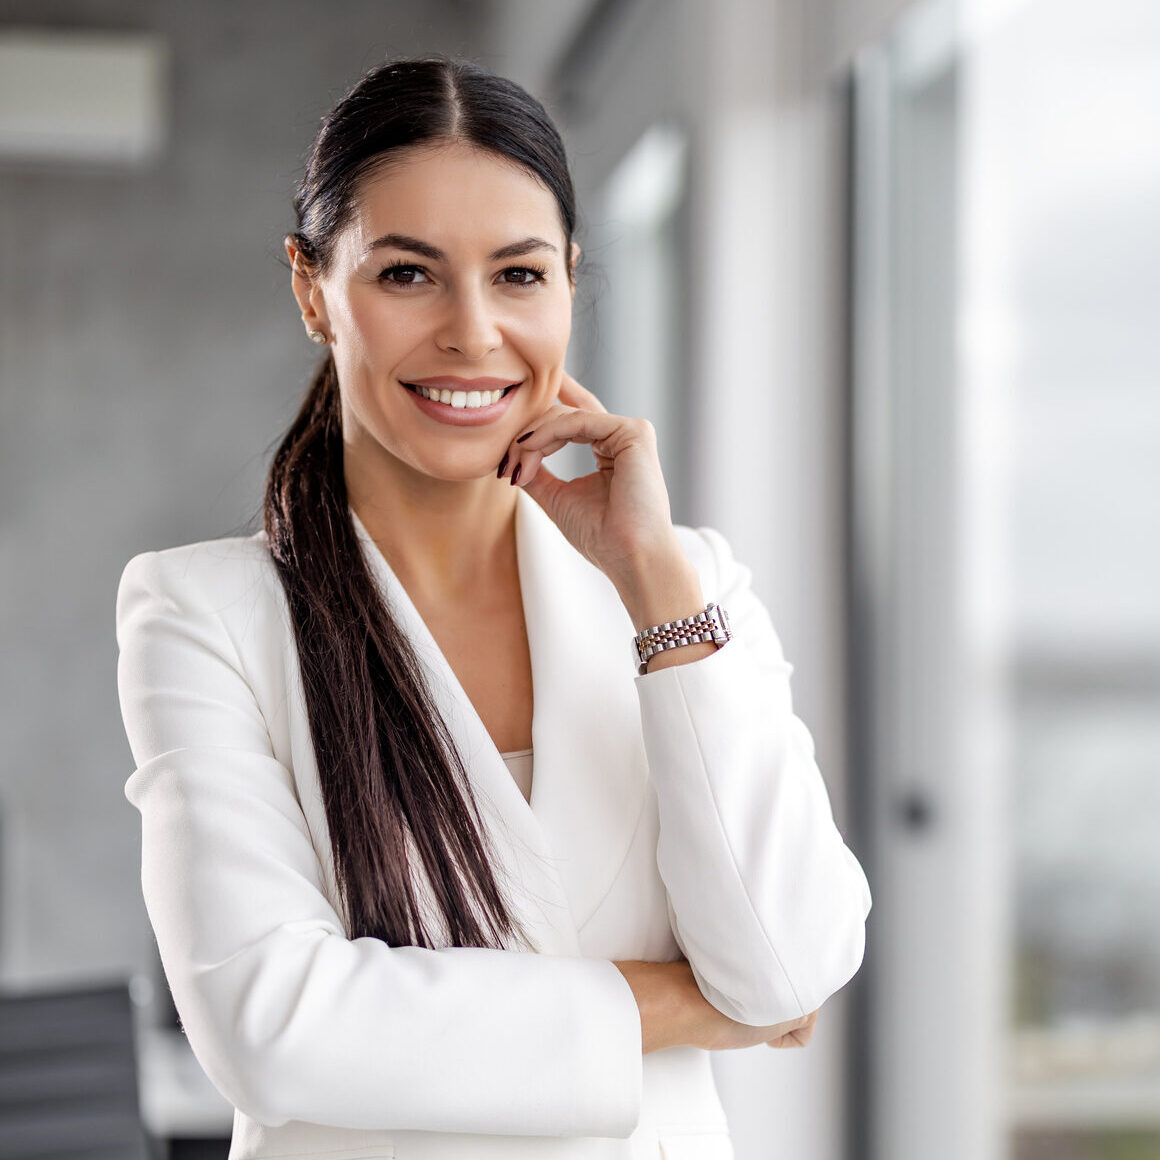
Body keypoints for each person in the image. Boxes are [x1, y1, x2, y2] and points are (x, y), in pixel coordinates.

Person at [115, 55, 871, 1160]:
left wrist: (654, 583)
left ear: (567, 279)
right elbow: (272, 1023)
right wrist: (685, 1007)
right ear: (311, 288)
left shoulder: (686, 588)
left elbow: (786, 959)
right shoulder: (204, 613)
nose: (471, 334)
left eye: (517, 276)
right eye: (408, 275)